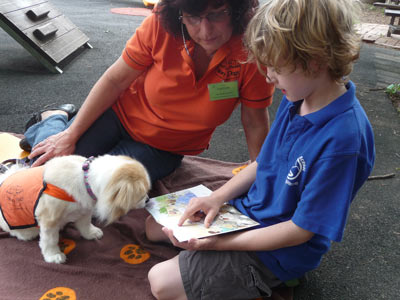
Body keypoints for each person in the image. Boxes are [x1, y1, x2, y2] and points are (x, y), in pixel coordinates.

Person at [145, 0, 376, 299]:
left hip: (278, 249)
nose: (267, 77)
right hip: (247, 215)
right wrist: (216, 198)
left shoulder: (344, 141)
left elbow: (300, 230)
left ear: (315, 59)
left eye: (276, 67)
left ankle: (276, 278)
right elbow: (263, 162)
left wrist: (218, 244)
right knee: (154, 226)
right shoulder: (297, 98)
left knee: (160, 283)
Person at [21, 0, 274, 183]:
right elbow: (115, 81)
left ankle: (53, 120)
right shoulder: (160, 25)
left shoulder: (252, 50)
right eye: (193, 18)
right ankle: (55, 120)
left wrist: (259, 174)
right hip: (117, 117)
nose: (205, 32)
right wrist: (71, 135)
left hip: (165, 148)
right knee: (47, 171)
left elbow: (254, 120)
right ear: (179, 14)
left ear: (237, 10)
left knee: (93, 186)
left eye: (217, 14)